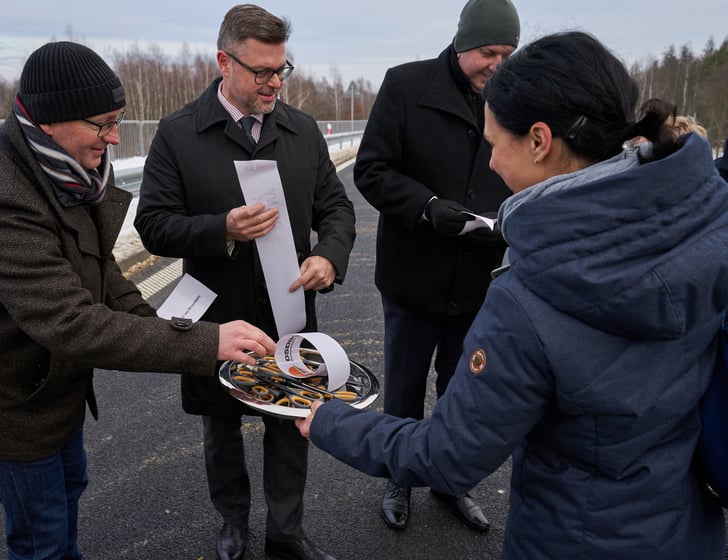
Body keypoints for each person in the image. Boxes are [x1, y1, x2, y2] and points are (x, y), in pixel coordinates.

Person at [297, 31, 728, 559]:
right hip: (689, 530)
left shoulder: (535, 296)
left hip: (572, 536)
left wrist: (326, 419)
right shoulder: (706, 221)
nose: (493, 163)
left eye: (496, 143)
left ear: (540, 140)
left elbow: (449, 455)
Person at [0, 41, 276, 560]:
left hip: (56, 386)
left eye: (117, 120)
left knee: (69, 493)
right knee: (41, 540)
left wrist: (174, 331)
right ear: (49, 120)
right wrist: (206, 342)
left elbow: (101, 270)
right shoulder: (0, 200)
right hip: (11, 399)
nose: (114, 137)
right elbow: (72, 323)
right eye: (102, 124)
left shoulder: (74, 165)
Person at [134, 5, 356, 560]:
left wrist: (329, 256)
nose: (274, 82)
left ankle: (287, 533)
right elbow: (152, 224)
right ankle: (232, 523)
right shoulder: (179, 133)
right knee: (222, 424)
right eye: (261, 71)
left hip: (289, 312)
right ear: (223, 62)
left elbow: (337, 209)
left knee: (291, 423)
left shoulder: (302, 131)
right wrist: (222, 228)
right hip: (215, 314)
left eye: (282, 69)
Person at [352, 0, 519, 532]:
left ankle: (450, 480)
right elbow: (372, 170)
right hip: (413, 272)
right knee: (404, 386)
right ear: (462, 43)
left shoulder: (516, 97)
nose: (497, 63)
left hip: (479, 275)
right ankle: (399, 477)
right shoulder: (405, 85)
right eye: (488, 52)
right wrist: (426, 207)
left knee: (463, 387)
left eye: (507, 53)